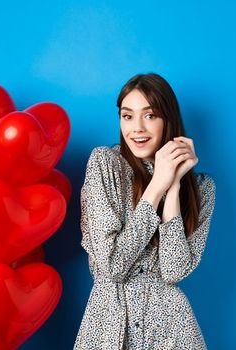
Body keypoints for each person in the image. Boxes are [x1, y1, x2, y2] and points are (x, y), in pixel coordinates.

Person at [74, 73, 216, 349]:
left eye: (150, 116)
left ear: (168, 120)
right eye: (127, 116)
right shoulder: (105, 164)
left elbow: (173, 272)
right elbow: (112, 266)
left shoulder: (202, 189)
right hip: (107, 326)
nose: (137, 128)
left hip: (171, 331)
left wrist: (173, 187)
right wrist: (157, 187)